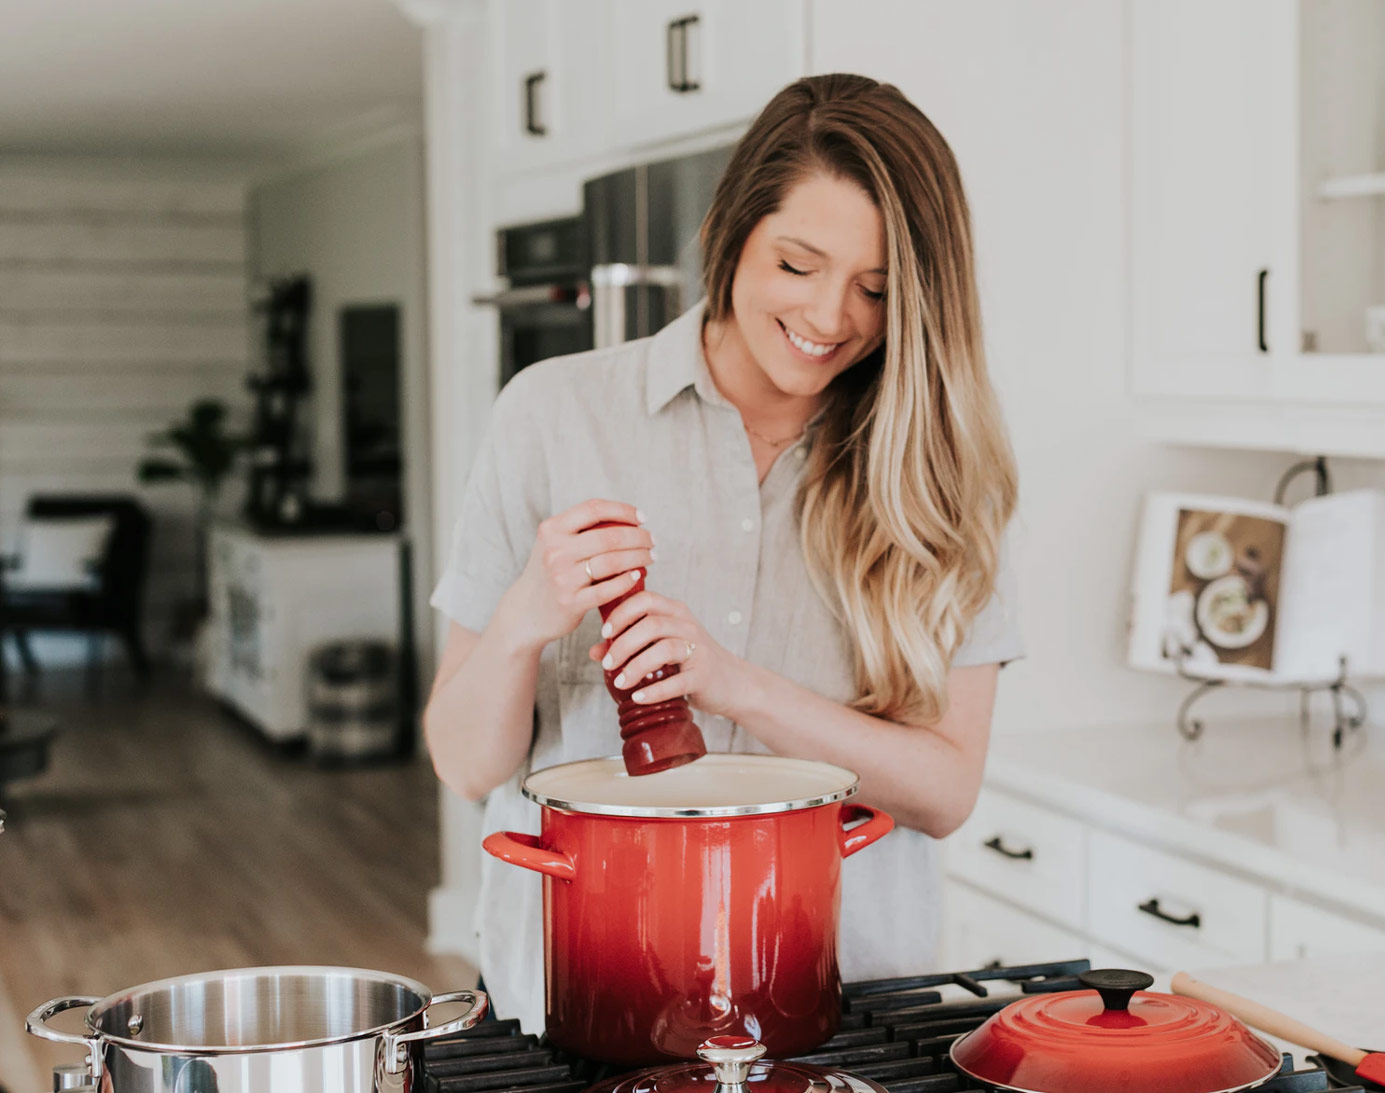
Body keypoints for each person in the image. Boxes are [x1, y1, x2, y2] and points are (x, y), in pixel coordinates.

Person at [424, 72, 1022, 1030]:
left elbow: (947, 790)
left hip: (842, 1009)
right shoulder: (552, 413)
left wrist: (731, 682)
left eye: (876, 288)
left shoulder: (942, 473)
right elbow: (460, 760)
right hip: (580, 1003)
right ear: (732, 233)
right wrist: (521, 622)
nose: (832, 316)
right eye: (798, 264)